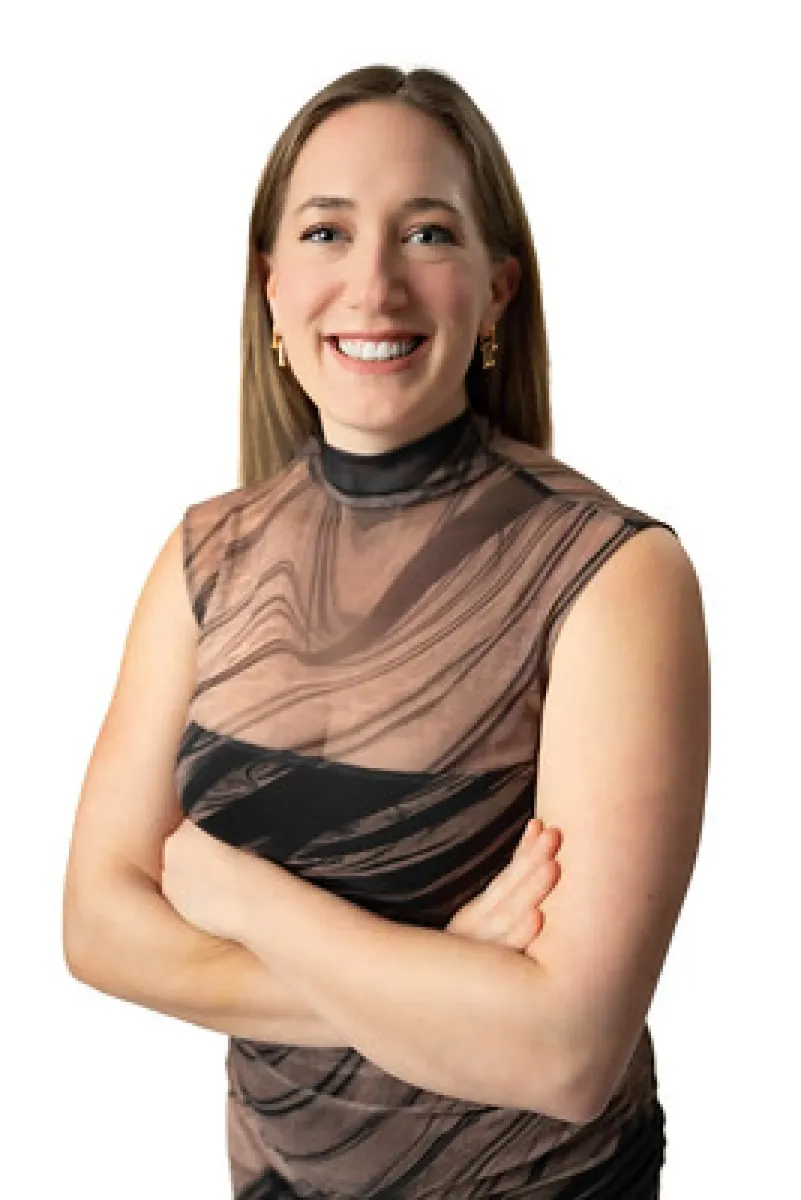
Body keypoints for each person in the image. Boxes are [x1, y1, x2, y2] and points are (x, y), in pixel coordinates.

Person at [63, 64, 710, 1199]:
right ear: (268, 285)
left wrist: (238, 897)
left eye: (425, 233)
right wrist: (451, 970)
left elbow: (562, 1053)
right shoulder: (202, 557)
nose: (372, 284)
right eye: (324, 231)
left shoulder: (612, 575)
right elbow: (96, 928)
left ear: (497, 289)